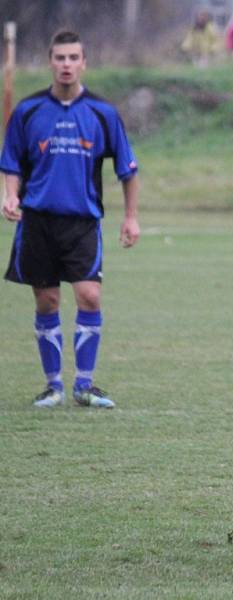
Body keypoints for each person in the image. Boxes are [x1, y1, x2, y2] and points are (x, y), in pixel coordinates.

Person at [1, 30, 140, 409]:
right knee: (47, 301)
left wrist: (131, 218)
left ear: (83, 63)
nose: (66, 64)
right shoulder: (28, 112)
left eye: (73, 58)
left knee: (89, 296)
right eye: (59, 58)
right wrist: (9, 194)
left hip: (82, 222)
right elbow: (10, 163)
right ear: (50, 62)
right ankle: (53, 386)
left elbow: (128, 169)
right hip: (37, 222)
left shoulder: (102, 113)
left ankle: (84, 385)